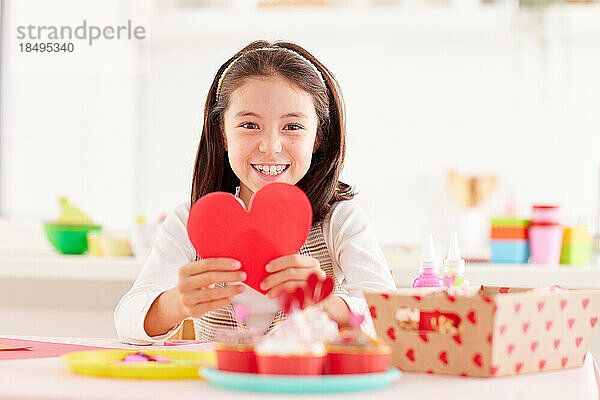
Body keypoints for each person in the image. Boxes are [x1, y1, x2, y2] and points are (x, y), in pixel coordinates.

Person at [115, 40, 396, 344]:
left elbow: (389, 315)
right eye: (250, 125)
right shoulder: (189, 222)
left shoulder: (340, 221)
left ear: (317, 138)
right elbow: (126, 321)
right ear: (223, 134)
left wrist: (323, 305)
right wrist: (176, 304)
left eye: (292, 127)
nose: (270, 146)